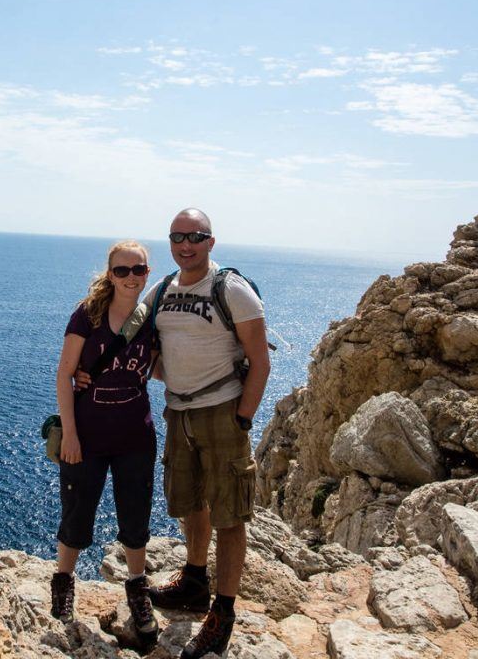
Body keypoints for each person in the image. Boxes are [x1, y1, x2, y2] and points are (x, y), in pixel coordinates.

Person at [146, 208, 270, 659]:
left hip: (222, 412)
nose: (185, 244)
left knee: (229, 513)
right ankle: (195, 581)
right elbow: (145, 345)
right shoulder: (163, 290)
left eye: (195, 237)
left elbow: (260, 360)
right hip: (178, 413)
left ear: (210, 242)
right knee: (191, 500)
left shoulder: (230, 289)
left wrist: (243, 417)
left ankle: (224, 611)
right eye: (177, 236)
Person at [50, 240, 159, 646]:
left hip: (135, 435)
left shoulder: (151, 318)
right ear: (110, 274)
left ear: (148, 273)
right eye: (122, 270)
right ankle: (63, 586)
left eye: (139, 270)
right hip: (88, 436)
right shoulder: (88, 315)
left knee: (136, 517)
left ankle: (137, 591)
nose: (131, 277)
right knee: (77, 511)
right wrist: (71, 434)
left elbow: (161, 367)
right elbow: (64, 374)